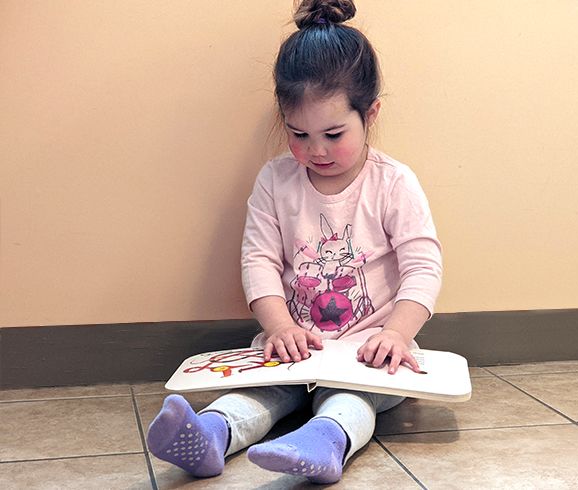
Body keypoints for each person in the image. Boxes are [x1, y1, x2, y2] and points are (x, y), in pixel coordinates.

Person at [146, 0, 442, 484]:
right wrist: (279, 326)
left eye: (333, 133)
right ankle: (210, 436)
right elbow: (258, 259)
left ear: (371, 113)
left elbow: (423, 266)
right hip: (295, 348)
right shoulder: (275, 180)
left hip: (370, 353)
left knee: (348, 401)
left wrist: (398, 334)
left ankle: (323, 442)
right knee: (259, 394)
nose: (315, 150)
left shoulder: (393, 182)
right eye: (298, 133)